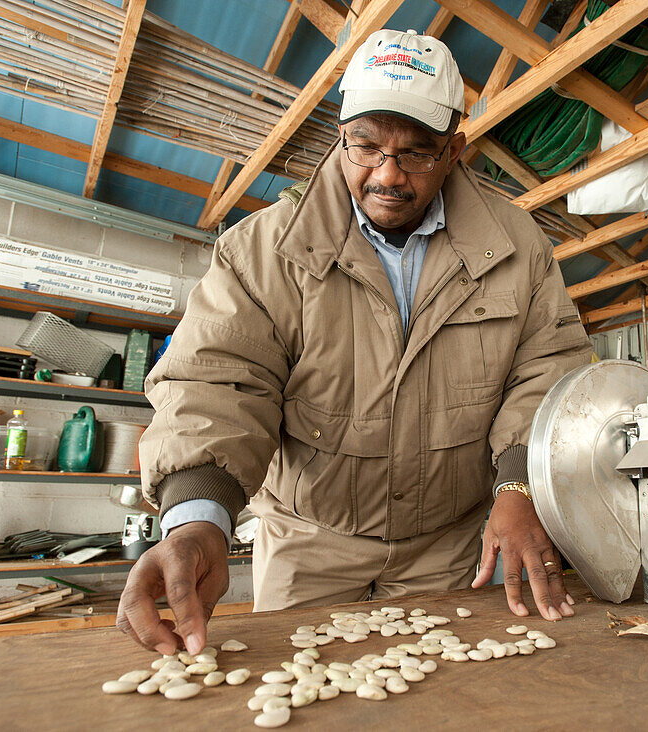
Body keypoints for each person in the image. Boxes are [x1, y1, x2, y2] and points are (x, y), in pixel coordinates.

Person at [117, 28, 592, 656]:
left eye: (416, 152)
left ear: (455, 148)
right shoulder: (260, 251)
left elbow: (549, 369)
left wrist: (519, 486)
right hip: (309, 540)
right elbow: (218, 382)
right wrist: (199, 517)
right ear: (340, 138)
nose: (387, 176)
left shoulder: (518, 246)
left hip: (452, 544)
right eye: (365, 147)